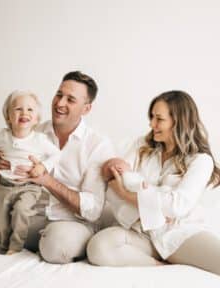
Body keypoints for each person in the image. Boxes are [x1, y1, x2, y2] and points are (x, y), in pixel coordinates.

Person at [0, 71, 114, 263]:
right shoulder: (30, 131)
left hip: (70, 223)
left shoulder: (98, 145)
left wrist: (46, 180)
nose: (60, 103)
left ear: (86, 109)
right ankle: (15, 235)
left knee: (56, 245)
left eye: (70, 99)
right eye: (59, 95)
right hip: (26, 214)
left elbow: (92, 211)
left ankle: (16, 237)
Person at [87, 90, 220, 275]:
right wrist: (150, 209)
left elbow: (178, 206)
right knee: (98, 248)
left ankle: (173, 257)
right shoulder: (141, 146)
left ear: (179, 122)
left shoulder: (200, 160)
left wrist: (127, 195)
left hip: (179, 234)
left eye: (159, 119)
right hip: (141, 233)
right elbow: (111, 187)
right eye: (151, 117)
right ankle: (158, 265)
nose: (152, 124)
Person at [0, 90, 61, 255]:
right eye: (18, 109)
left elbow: (56, 154)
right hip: (4, 186)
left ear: (36, 119)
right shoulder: (3, 136)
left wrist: (42, 166)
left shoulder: (39, 140)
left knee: (21, 210)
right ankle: (4, 243)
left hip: (29, 187)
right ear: (8, 117)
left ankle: (16, 245)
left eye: (30, 110)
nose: (24, 113)